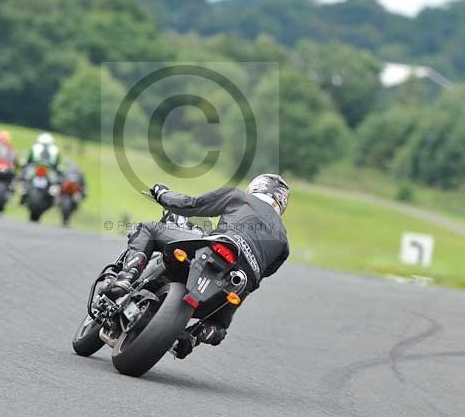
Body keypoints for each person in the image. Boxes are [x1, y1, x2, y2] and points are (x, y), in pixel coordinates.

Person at [102, 174, 290, 358]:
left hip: (216, 248)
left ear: (256, 187)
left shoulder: (239, 197)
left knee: (147, 229)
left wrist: (162, 193)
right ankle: (195, 336)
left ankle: (127, 277)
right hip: (239, 279)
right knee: (220, 325)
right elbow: (263, 276)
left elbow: (191, 205)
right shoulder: (283, 241)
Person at [20, 133, 62, 203]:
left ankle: (24, 190)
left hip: (36, 166)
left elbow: (29, 160)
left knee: (25, 179)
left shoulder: (34, 147)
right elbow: (57, 164)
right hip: (49, 168)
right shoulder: (55, 149)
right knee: (55, 183)